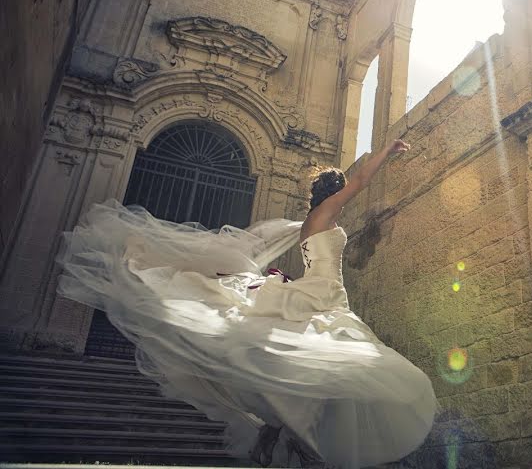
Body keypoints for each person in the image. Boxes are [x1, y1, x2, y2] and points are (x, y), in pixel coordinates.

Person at [57, 139, 435, 468]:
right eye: (341, 192)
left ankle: (275, 435)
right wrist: (386, 150)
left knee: (306, 365)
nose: (345, 195)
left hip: (323, 293)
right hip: (321, 294)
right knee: (332, 365)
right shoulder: (328, 214)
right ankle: (299, 442)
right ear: (333, 194)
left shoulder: (310, 220)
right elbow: (362, 181)